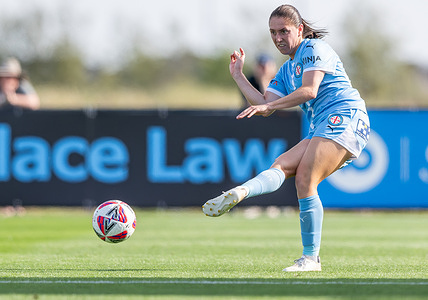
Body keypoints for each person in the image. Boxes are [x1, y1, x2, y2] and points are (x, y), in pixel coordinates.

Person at [202, 4, 370, 272]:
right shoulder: (286, 70)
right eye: (272, 32)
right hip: (322, 125)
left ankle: (311, 259)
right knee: (281, 165)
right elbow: (264, 104)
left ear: (300, 29)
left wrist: (269, 107)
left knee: (305, 177)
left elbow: (309, 91)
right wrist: (238, 76)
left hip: (346, 116)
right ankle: (241, 192)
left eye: (284, 31)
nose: (278, 38)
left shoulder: (314, 49)